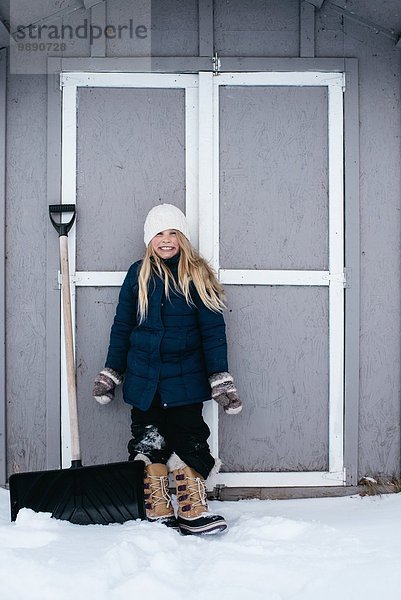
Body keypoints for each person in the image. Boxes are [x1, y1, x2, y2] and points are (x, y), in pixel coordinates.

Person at [93, 204, 242, 535]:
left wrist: (221, 379)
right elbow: (122, 328)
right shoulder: (138, 274)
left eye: (173, 232)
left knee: (191, 439)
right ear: (149, 239)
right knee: (148, 441)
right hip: (145, 382)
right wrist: (111, 373)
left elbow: (213, 333)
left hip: (185, 382)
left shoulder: (197, 275)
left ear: (183, 238)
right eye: (159, 233)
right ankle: (156, 503)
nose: (166, 240)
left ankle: (191, 505)